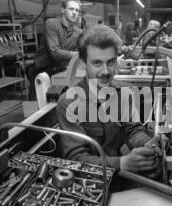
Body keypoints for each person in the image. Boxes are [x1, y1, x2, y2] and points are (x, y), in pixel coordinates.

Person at [57, 24, 161, 173]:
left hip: (119, 175)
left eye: (111, 62)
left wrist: (147, 143)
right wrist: (122, 163)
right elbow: (76, 159)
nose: (105, 71)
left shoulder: (124, 91)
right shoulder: (68, 103)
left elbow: (133, 131)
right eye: (97, 63)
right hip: (88, 181)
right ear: (83, 63)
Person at [33, 0, 82, 89]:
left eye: (77, 10)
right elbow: (55, 53)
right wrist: (77, 54)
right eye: (71, 9)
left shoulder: (78, 32)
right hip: (43, 70)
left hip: (61, 71)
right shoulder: (51, 24)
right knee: (38, 102)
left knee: (59, 100)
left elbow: (82, 50)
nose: (74, 13)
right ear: (63, 10)